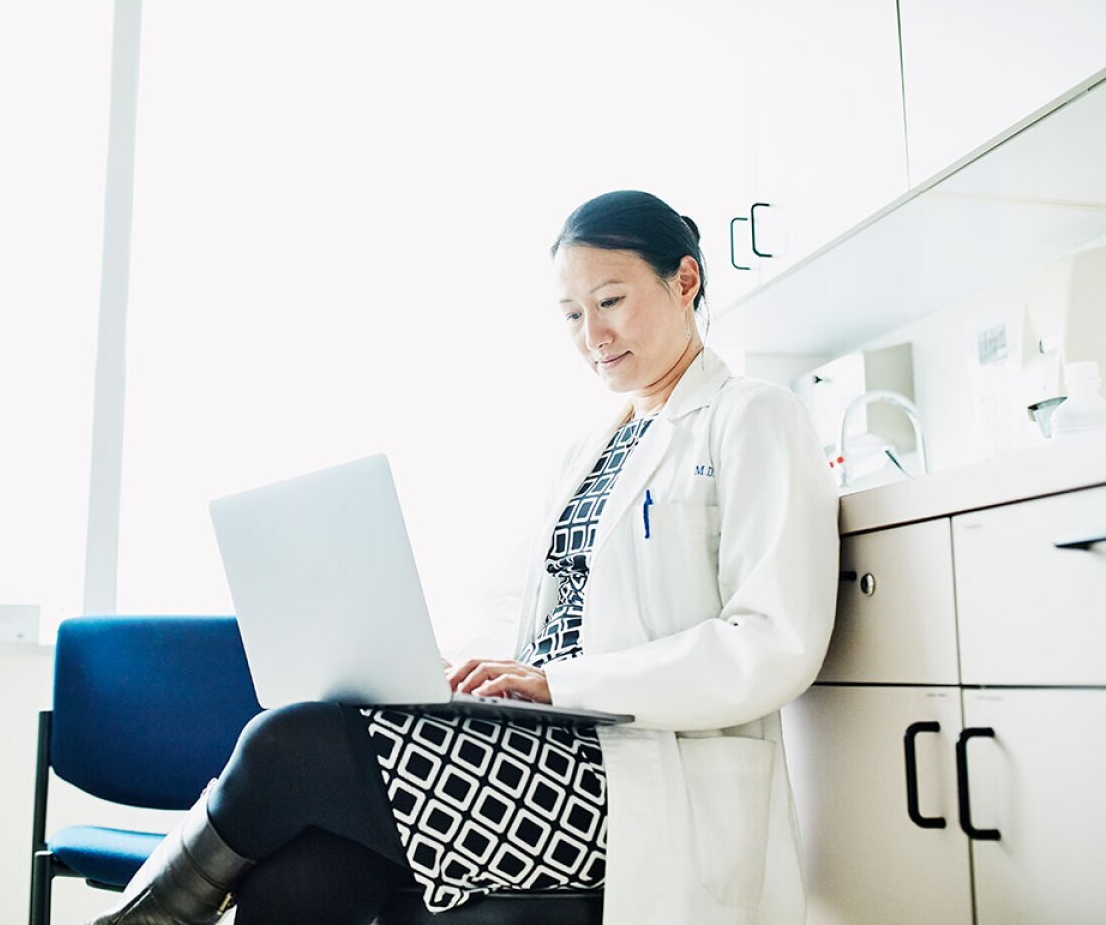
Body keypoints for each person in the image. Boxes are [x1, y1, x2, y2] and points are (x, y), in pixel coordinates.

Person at [87, 190, 840, 925]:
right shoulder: (589, 452)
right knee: (310, 867)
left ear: (684, 281)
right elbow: (512, 616)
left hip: (637, 779)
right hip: (538, 745)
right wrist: (443, 678)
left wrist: (555, 683)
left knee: (288, 743)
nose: (593, 334)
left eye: (610, 301)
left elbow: (771, 645)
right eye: (572, 315)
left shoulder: (753, 418)